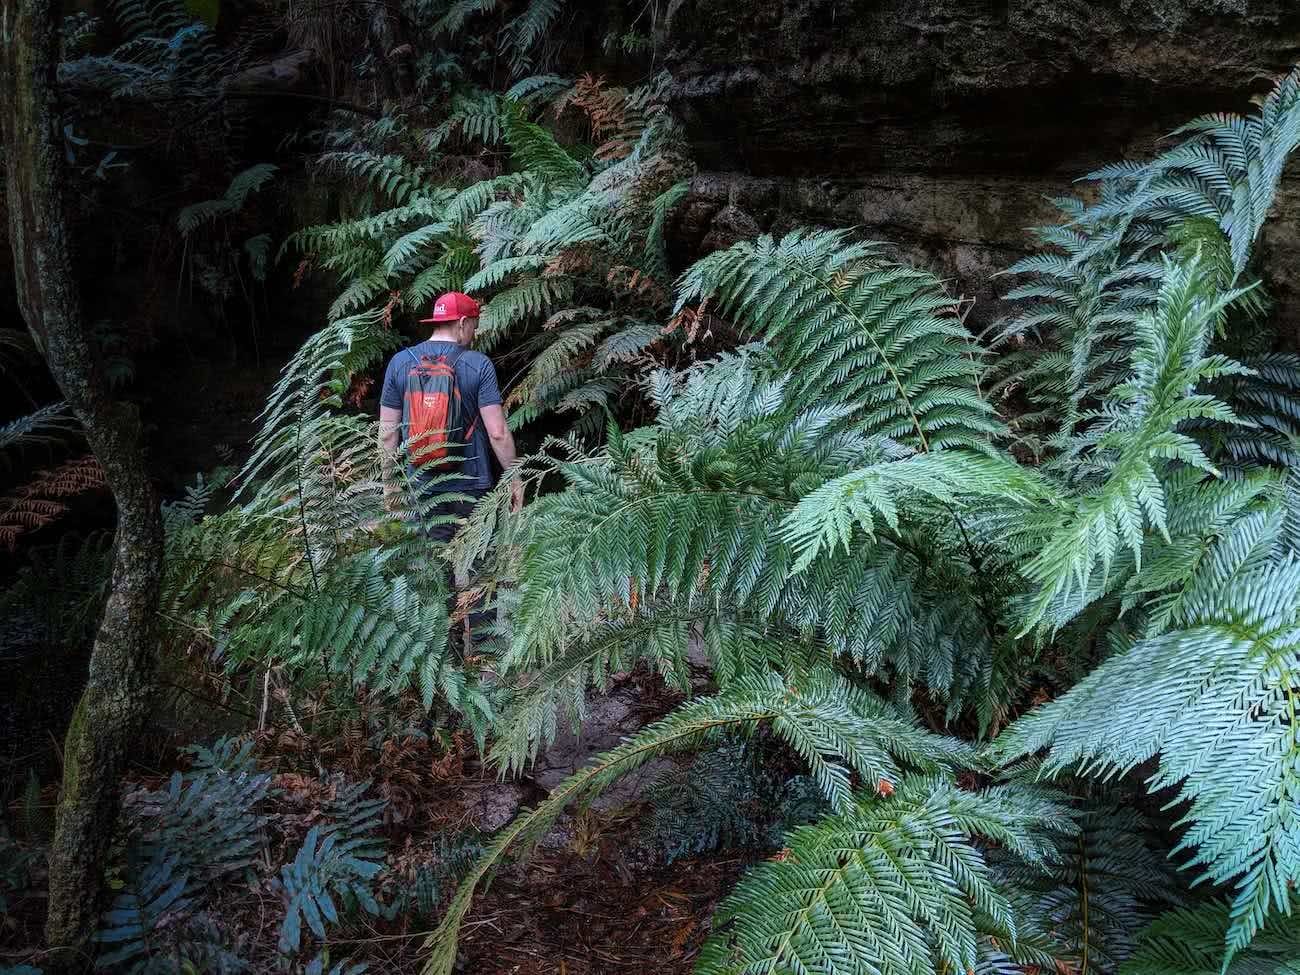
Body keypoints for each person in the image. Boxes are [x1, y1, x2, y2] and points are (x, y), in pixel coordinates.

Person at [377, 291, 520, 645]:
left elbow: (387, 433)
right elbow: (498, 432)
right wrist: (515, 477)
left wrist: (390, 485)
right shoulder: (477, 365)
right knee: (479, 568)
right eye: (474, 325)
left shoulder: (399, 363)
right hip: (472, 484)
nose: (474, 333)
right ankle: (484, 652)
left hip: (420, 487)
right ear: (462, 323)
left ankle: (442, 653)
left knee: (430, 572)